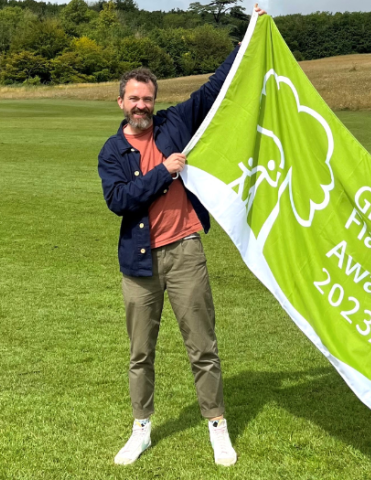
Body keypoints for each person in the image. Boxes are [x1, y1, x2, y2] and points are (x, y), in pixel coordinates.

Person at [97, 5, 267, 466]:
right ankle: (141, 430)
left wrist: (247, 38)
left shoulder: (175, 123)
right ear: (121, 103)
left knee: (203, 347)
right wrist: (165, 171)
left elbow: (216, 88)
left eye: (147, 99)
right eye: (133, 99)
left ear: (154, 100)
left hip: (186, 249)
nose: (141, 106)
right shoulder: (111, 151)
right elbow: (121, 200)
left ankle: (217, 427)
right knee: (140, 353)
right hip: (138, 262)